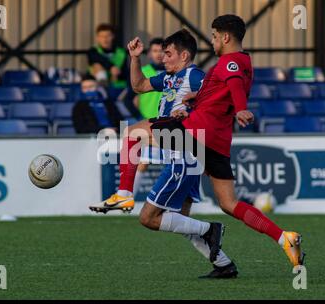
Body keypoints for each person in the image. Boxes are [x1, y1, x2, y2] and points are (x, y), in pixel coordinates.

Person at [90, 30, 238, 278]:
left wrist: (191, 112)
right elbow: (138, 86)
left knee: (148, 217)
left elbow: (221, 101)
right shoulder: (168, 78)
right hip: (181, 153)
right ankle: (224, 265)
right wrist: (135, 58)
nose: (162, 58)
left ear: (184, 55)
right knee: (180, 222)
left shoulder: (195, 76)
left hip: (185, 150)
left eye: (167, 54)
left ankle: (125, 194)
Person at [134, 38, 166, 196]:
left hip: (170, 123)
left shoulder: (174, 71)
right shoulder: (143, 71)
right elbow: (128, 99)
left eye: (162, 50)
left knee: (174, 163)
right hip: (150, 123)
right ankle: (127, 198)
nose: (159, 54)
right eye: (155, 51)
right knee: (144, 161)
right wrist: (139, 117)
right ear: (149, 53)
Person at [88, 24, 128, 89]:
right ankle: (103, 87)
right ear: (97, 38)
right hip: (96, 86)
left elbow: (125, 72)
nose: (105, 39)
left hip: (117, 85)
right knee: (97, 65)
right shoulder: (93, 51)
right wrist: (111, 67)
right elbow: (98, 59)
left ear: (113, 36)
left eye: (108, 36)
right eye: (101, 36)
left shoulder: (121, 52)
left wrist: (117, 73)